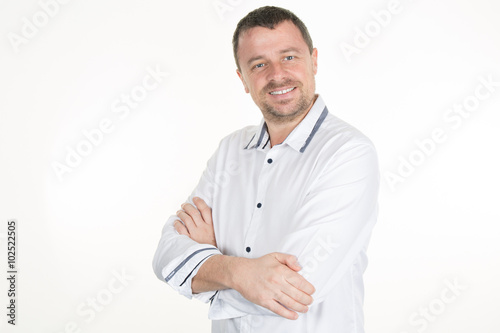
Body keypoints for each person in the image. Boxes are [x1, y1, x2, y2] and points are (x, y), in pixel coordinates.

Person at [153, 6, 379, 332]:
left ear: (314, 60)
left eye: (289, 57)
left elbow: (294, 290)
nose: (277, 74)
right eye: (258, 64)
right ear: (242, 78)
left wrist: (206, 266)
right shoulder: (230, 150)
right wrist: (239, 272)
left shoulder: (348, 153)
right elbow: (165, 255)